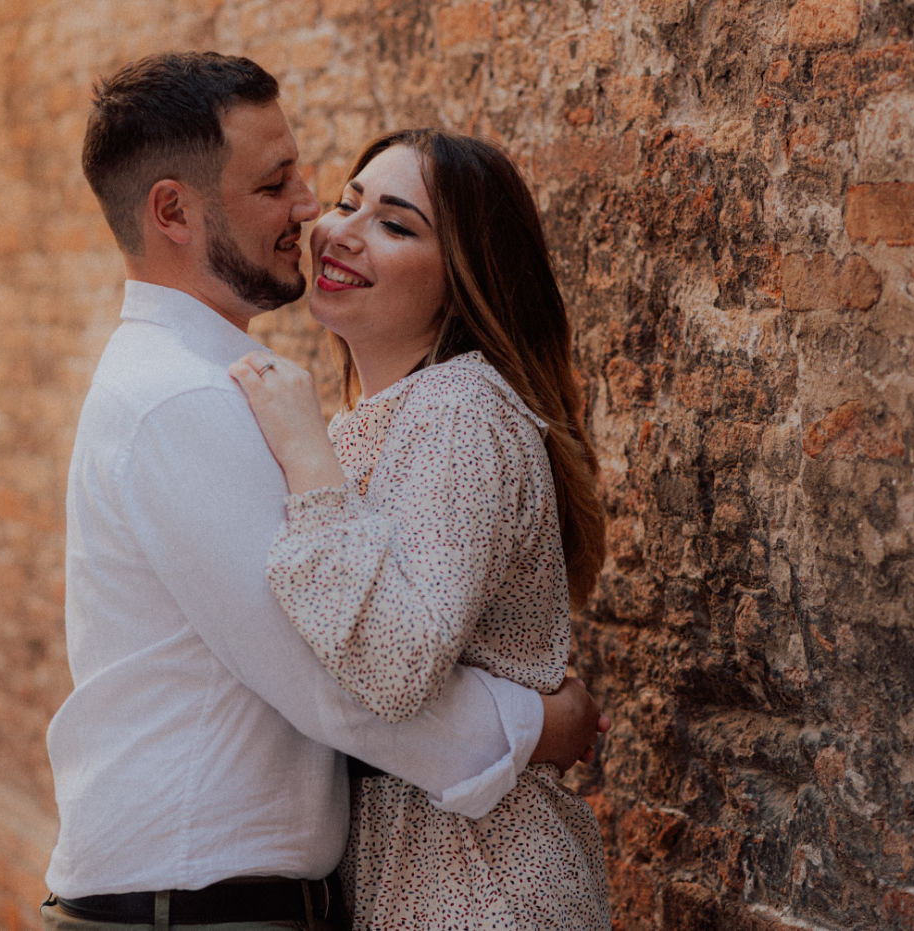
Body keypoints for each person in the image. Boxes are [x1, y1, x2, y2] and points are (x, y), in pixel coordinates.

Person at [41, 52, 607, 931]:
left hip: (445, 888)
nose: (313, 213)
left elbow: (360, 657)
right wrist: (536, 725)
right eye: (282, 185)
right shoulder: (192, 398)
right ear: (173, 211)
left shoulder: (429, 410)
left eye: (387, 219)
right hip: (201, 907)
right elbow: (330, 683)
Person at [229, 129, 612, 928]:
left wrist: (303, 450)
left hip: (482, 886)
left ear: (459, 286)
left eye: (395, 224)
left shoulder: (461, 410)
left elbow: (397, 667)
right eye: (348, 202)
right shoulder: (384, 421)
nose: (341, 231)